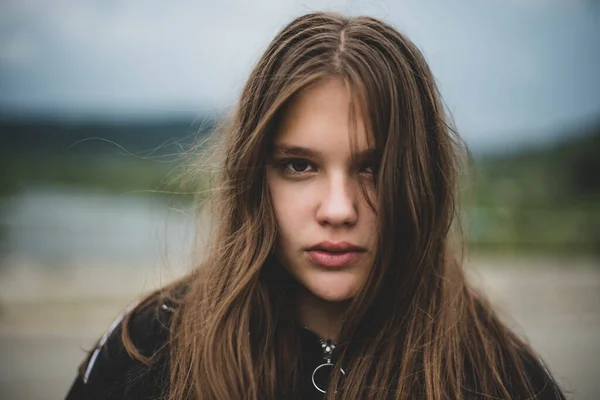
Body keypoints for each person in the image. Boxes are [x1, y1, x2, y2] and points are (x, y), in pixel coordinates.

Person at [65, 12, 566, 400]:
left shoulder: (497, 374)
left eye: (373, 167)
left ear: (421, 179)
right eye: (300, 166)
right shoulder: (149, 348)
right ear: (254, 176)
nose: (338, 209)